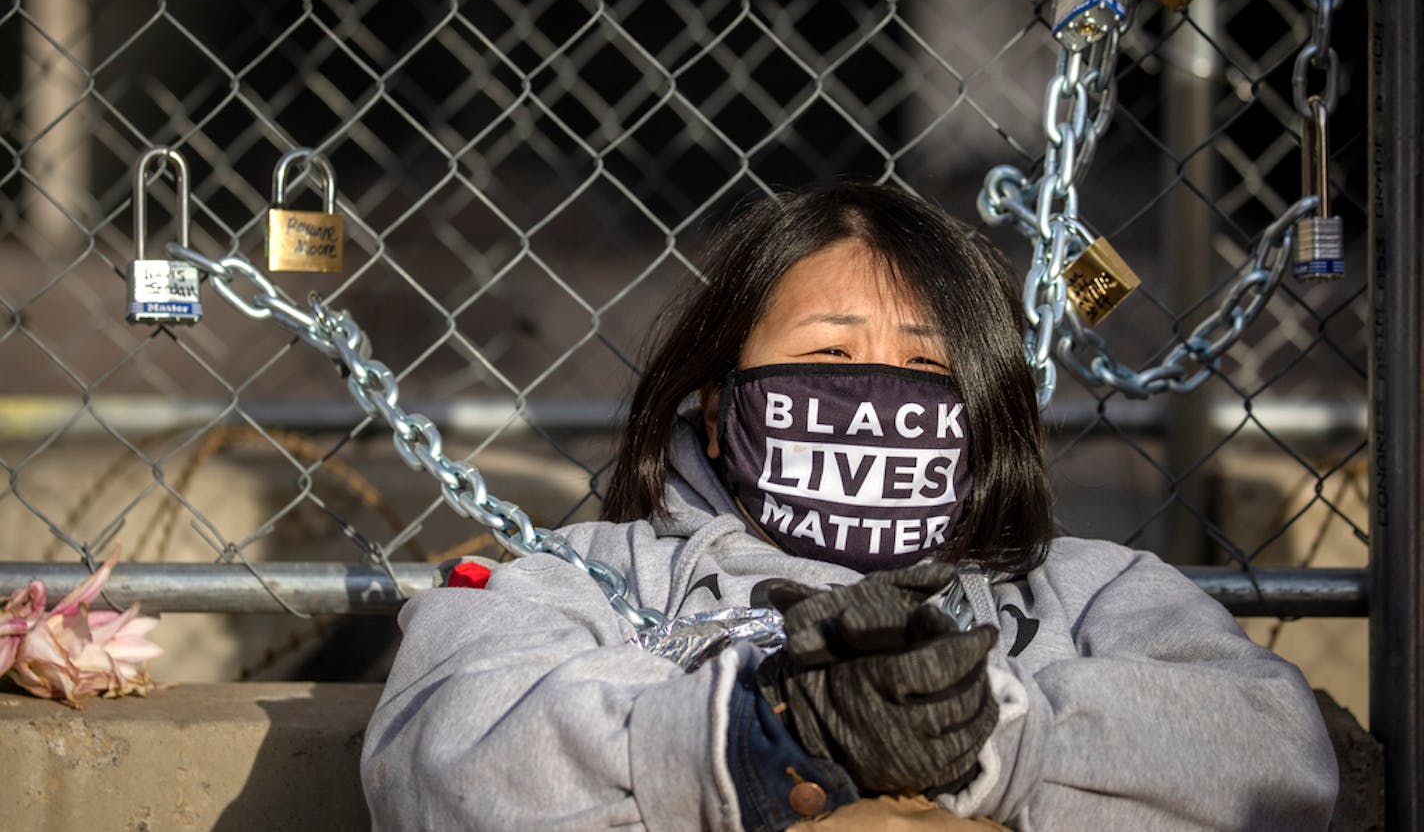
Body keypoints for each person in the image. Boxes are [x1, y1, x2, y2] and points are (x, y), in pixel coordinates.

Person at [361, 183, 1338, 831]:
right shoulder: (582, 576)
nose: (874, 389)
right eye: (829, 356)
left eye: (925, 364)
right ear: (715, 397)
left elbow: (1276, 757)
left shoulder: (1092, 589)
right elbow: (435, 760)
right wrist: (772, 730)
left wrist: (984, 735)